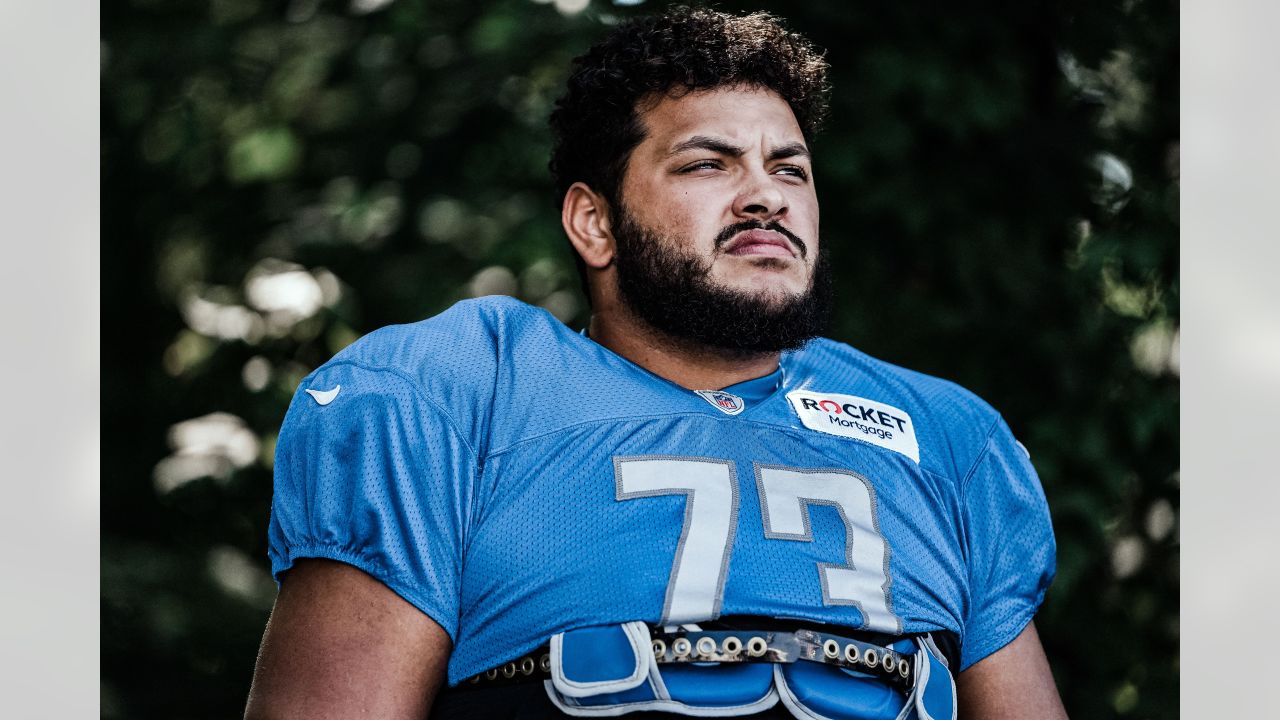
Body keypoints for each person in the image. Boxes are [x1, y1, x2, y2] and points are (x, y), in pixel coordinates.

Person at [245, 7, 1067, 719]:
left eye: (790, 169)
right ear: (593, 224)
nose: (767, 196)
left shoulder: (949, 437)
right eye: (708, 163)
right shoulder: (452, 392)